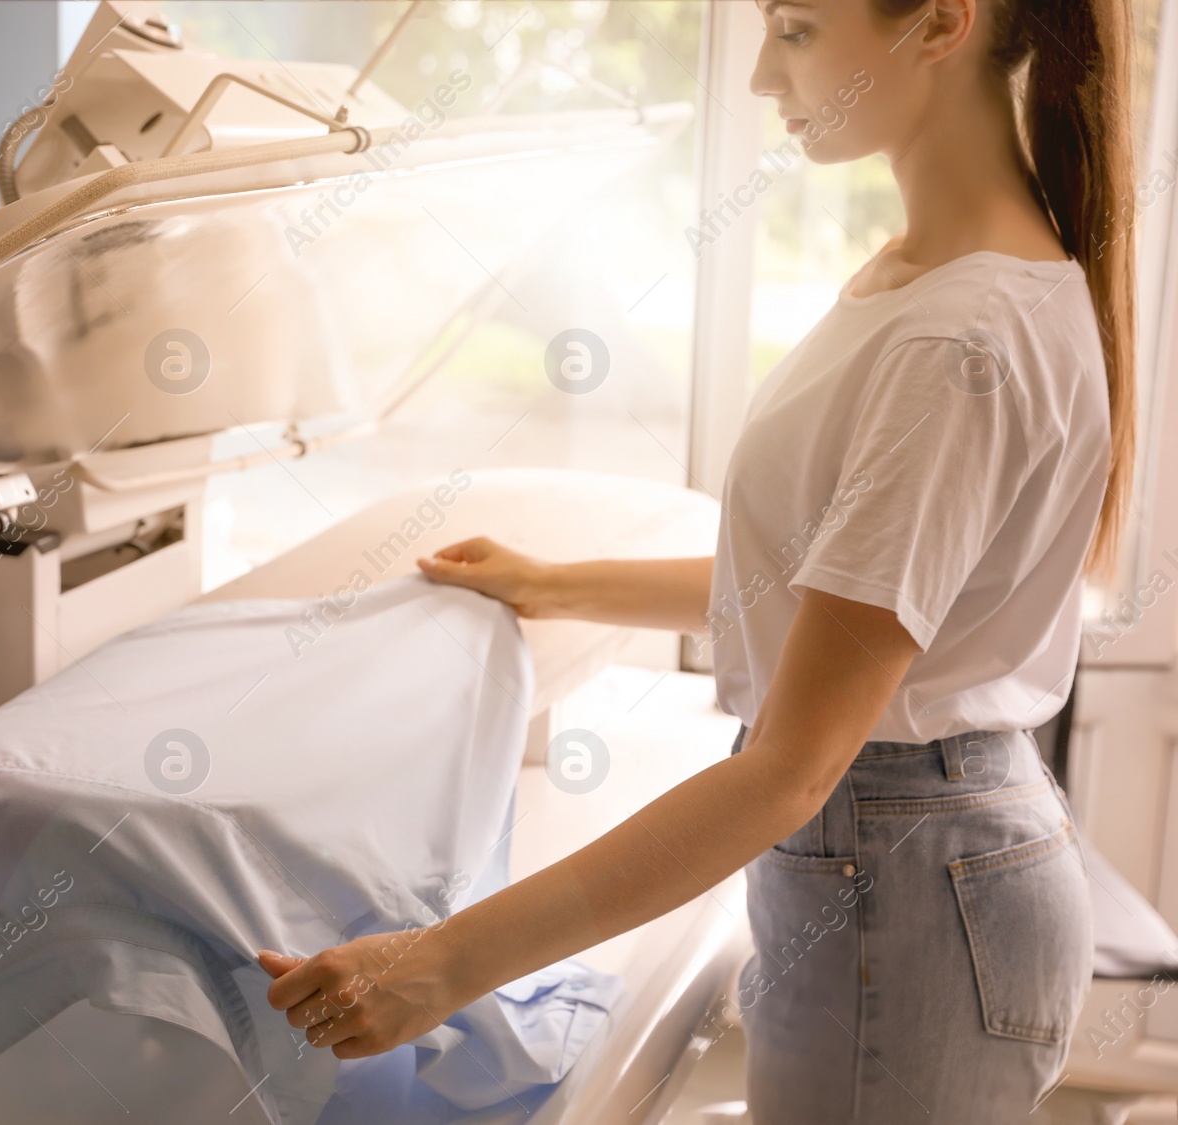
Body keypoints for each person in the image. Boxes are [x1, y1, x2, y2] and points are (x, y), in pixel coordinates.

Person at [258, 0, 1136, 1118]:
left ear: (938, 26)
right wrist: (552, 583)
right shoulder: (921, 277)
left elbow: (792, 767)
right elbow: (834, 595)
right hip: (893, 856)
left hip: (905, 875)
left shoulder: (958, 340)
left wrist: (448, 962)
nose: (764, 76)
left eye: (797, 29)